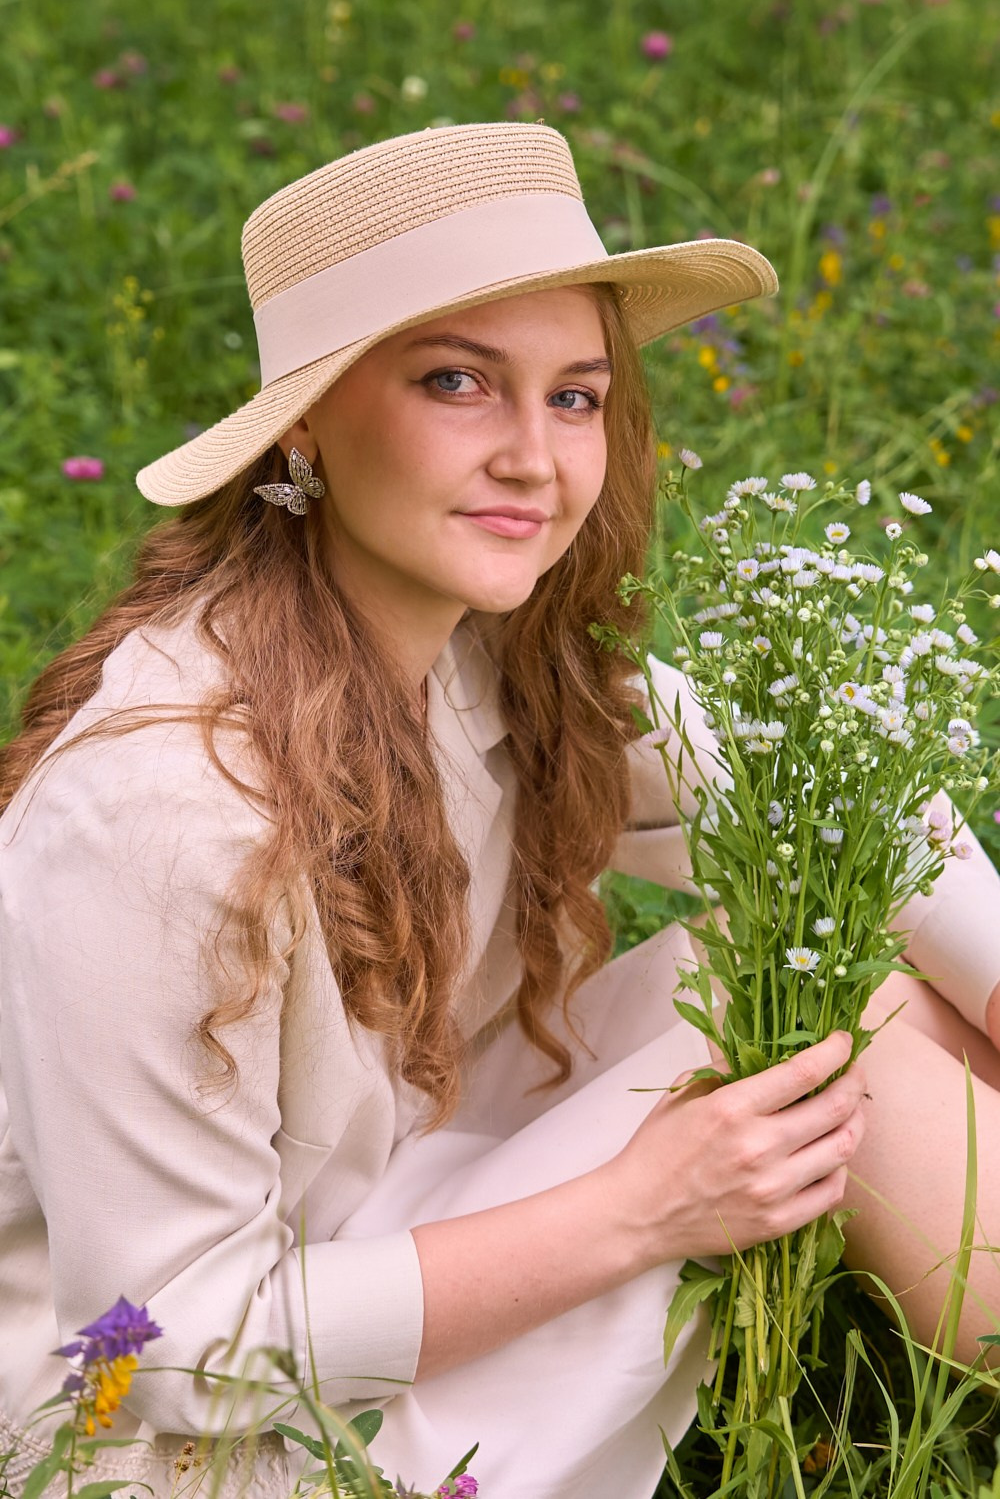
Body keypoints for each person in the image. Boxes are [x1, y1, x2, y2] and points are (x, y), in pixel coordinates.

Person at [1, 122, 998, 1499]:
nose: (536, 457)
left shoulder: (478, 650)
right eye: (458, 382)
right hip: (180, 1442)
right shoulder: (157, 811)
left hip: (396, 1221)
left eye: (576, 397)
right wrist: (643, 1211)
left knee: (840, 966)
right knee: (840, 1036)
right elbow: (167, 1343)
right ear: (306, 415)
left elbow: (812, 805)